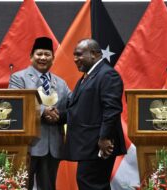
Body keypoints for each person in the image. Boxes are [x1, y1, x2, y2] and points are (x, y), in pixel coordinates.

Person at [8, 37, 71, 190]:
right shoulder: (18, 78)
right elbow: (16, 103)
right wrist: (43, 111)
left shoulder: (61, 83)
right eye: (39, 54)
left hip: (53, 146)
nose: (43, 58)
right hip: (28, 144)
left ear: (53, 59)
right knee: (22, 186)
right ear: (31, 57)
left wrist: (59, 115)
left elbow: (73, 105)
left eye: (47, 54)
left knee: (48, 187)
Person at [64, 38, 127, 190]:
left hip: (99, 144)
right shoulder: (87, 77)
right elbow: (79, 110)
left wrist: (105, 138)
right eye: (74, 55)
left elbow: (111, 110)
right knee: (89, 183)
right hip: (89, 145)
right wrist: (56, 115)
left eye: (79, 55)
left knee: (92, 183)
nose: (75, 59)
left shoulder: (107, 75)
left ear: (93, 54)